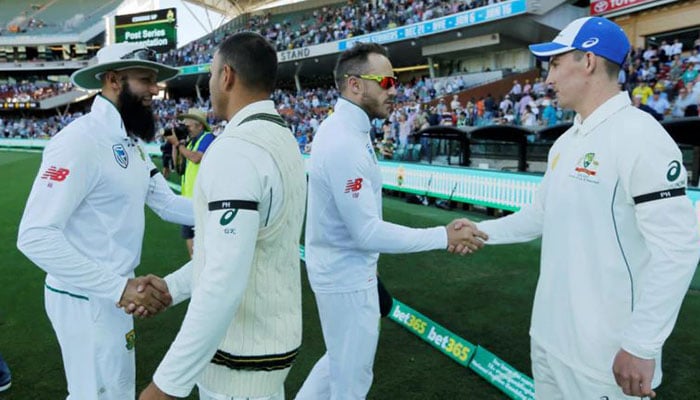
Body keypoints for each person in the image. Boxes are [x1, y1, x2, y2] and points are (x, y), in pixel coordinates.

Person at [467, 17, 700, 399]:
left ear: (588, 61)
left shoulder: (641, 135)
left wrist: (642, 345)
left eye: (555, 64)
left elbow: (678, 250)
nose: (547, 79)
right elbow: (540, 216)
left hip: (604, 360)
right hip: (548, 341)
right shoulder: (567, 141)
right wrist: (480, 230)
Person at [295, 42, 487, 400]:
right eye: (385, 81)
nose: (394, 90)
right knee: (351, 381)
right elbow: (366, 232)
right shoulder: (343, 141)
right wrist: (442, 235)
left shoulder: (347, 130)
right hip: (344, 277)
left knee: (339, 363)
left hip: (345, 270)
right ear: (355, 85)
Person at [16, 42, 194, 400]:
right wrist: (118, 288)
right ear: (113, 80)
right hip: (84, 299)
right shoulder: (79, 140)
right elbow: (34, 236)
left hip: (115, 294)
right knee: (93, 396)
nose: (155, 89)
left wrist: (233, 208)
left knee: (116, 392)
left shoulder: (130, 142)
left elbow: (168, 204)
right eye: (146, 80)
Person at [139, 31, 307, 400]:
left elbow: (224, 278)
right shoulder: (281, 137)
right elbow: (232, 252)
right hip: (266, 352)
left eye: (213, 75)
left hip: (241, 362)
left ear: (227, 76)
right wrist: (174, 286)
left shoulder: (236, 149)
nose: (211, 84)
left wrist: (166, 385)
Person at [167, 107, 215, 258]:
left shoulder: (208, 137)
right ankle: (194, 268)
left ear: (199, 125)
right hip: (188, 199)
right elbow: (177, 167)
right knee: (189, 236)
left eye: (188, 126)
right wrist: (176, 144)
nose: (186, 128)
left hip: (201, 199)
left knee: (204, 242)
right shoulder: (190, 143)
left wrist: (180, 145)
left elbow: (195, 158)